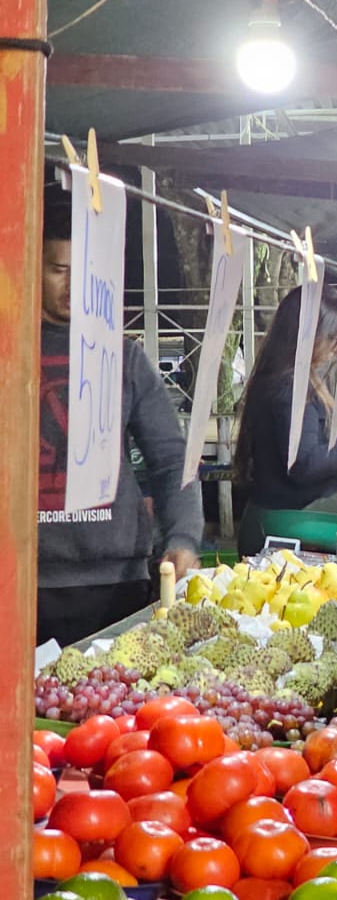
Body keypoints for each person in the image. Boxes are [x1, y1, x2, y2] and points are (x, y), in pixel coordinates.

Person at [36, 191, 204, 646]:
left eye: (84, 269)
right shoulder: (11, 349)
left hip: (116, 583)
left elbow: (172, 459)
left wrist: (184, 536)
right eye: (59, 269)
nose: (73, 285)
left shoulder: (124, 356)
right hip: (24, 583)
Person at [234, 286, 337, 554]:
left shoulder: (285, 378)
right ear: (307, 334)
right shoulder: (290, 386)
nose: (336, 345)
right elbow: (305, 463)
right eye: (332, 336)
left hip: (286, 518)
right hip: (286, 526)